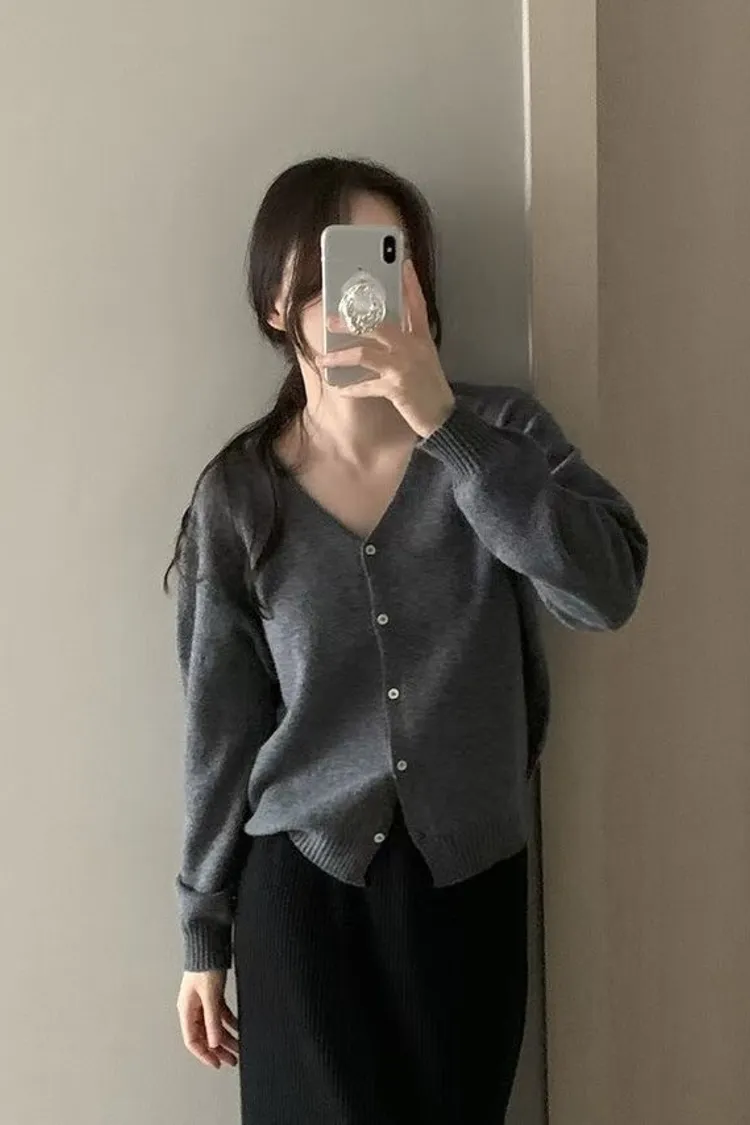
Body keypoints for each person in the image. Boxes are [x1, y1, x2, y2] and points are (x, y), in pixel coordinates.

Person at [165, 155, 648, 1125]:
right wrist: (202, 932)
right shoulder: (241, 497)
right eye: (330, 272)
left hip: (468, 888)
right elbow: (220, 731)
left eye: (387, 262)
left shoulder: (501, 432)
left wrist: (444, 427)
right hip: (303, 895)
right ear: (277, 304)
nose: (363, 298)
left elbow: (604, 593)